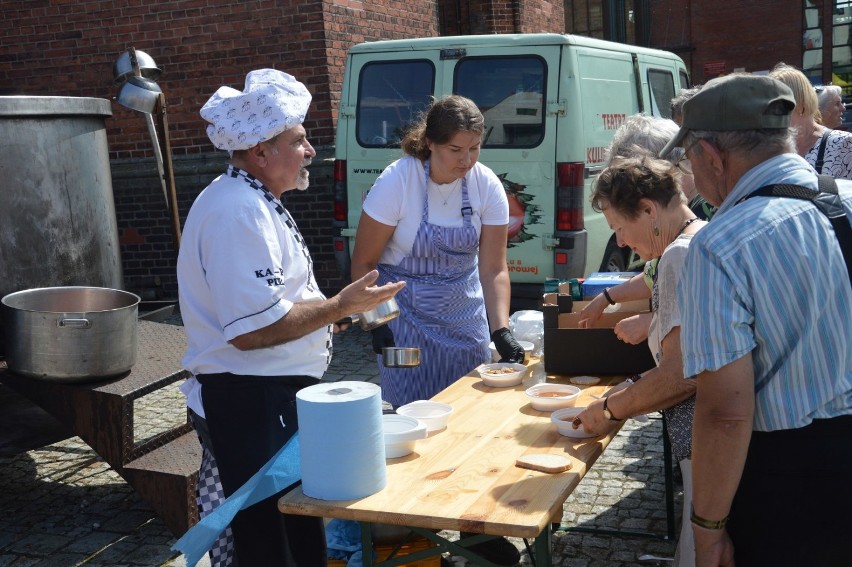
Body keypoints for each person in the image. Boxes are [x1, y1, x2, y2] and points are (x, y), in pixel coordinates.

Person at [177, 68, 404, 567]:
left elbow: (273, 304)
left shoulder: (251, 198)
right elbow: (253, 330)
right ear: (261, 153)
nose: (311, 151)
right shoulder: (238, 210)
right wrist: (339, 306)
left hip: (267, 397)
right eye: (299, 140)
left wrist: (327, 317)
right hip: (251, 399)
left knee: (294, 528)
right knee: (270, 543)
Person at [661, 73, 852, 566]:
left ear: (711, 154)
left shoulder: (720, 245)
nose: (692, 176)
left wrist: (707, 532)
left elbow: (725, 412)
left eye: (688, 160)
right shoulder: (848, 198)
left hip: (792, 485)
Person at [349, 94, 523, 566]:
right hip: (401, 320)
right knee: (412, 423)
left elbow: (493, 268)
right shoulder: (398, 182)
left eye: (474, 149)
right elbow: (364, 262)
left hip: (462, 315)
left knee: (469, 423)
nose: (466, 160)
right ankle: (419, 535)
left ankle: (474, 526)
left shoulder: (485, 185)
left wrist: (501, 329)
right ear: (430, 144)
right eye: (455, 150)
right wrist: (374, 324)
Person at [574, 155, 707, 567]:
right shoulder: (701, 235)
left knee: (702, 550)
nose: (621, 243)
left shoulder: (677, 257)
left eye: (619, 228)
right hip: (712, 432)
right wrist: (631, 387)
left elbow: (683, 375)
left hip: (705, 436)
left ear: (648, 209)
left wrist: (612, 409)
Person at [769, 63, 852, 178]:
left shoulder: (843, 144)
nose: (772, 114)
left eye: (779, 106)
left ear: (801, 104)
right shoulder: (770, 149)